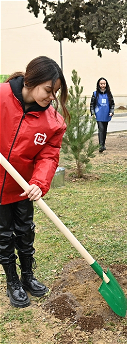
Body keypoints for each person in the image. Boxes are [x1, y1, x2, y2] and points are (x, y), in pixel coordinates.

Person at [0, 56, 70, 307]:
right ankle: (13, 282)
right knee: (4, 236)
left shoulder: (52, 121)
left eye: (56, 92)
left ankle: (28, 276)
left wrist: (39, 183)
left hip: (23, 188)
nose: (52, 97)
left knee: (25, 233)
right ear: (31, 81)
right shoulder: (2, 96)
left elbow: (49, 155)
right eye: (48, 90)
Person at [90, 77, 115, 153]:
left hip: (106, 114)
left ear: (106, 84)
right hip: (99, 114)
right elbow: (92, 105)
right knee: (101, 129)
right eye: (101, 84)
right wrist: (93, 113)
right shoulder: (95, 94)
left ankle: (103, 144)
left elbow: (112, 104)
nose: (102, 85)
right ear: (98, 84)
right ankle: (100, 146)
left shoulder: (109, 94)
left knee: (104, 130)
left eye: (104, 84)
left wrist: (111, 111)